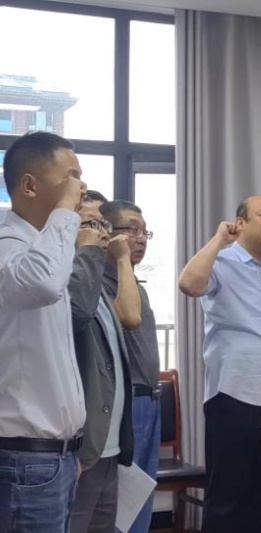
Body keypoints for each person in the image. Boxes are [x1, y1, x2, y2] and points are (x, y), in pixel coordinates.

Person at [179, 195, 261, 532]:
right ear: (240, 223)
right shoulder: (221, 261)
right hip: (233, 396)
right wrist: (219, 240)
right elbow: (189, 284)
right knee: (227, 500)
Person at [0, 131, 87, 532]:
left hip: (53, 456)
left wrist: (70, 447)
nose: (80, 188)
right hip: (24, 457)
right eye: (71, 178)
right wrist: (66, 209)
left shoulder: (44, 248)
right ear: (30, 185)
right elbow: (43, 284)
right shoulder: (7, 243)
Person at [69, 199, 140, 533]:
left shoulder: (96, 288)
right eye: (91, 225)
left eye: (103, 226)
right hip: (83, 452)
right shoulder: (67, 287)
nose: (102, 235)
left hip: (109, 447)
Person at [99, 200, 160, 533]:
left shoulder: (134, 283)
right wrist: (122, 262)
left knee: (142, 495)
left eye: (145, 232)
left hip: (150, 399)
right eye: (132, 230)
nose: (140, 239)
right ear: (108, 234)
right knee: (121, 505)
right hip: (127, 403)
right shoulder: (101, 282)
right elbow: (129, 319)